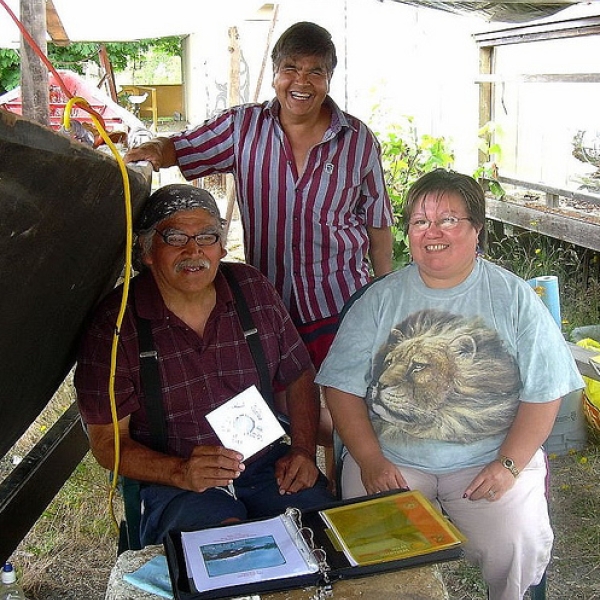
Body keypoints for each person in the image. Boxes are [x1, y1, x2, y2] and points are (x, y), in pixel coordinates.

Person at [315, 169, 584, 600]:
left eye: (448, 220)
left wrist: (509, 464)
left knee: (514, 543)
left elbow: (544, 391)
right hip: (393, 460)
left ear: (477, 228)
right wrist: (369, 459)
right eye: (420, 222)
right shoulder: (380, 299)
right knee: (376, 561)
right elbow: (341, 388)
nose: (432, 232)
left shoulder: (512, 298)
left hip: (488, 460)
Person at [123, 20, 393, 387]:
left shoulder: (357, 140)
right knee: (282, 407)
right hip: (269, 305)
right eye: (291, 69)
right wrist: (154, 149)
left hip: (341, 303)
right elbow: (182, 148)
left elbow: (377, 223)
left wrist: (385, 296)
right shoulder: (243, 127)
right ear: (274, 74)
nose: (302, 82)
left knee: (344, 408)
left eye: (316, 72)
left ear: (329, 79)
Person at [75, 184, 333, 546]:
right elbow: (106, 443)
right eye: (176, 237)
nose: (194, 250)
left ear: (222, 247)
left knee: (324, 537)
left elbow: (299, 373)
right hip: (178, 481)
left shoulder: (252, 291)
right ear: (147, 250)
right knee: (230, 553)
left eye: (207, 236)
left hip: (265, 466)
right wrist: (180, 472)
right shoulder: (116, 326)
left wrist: (303, 450)